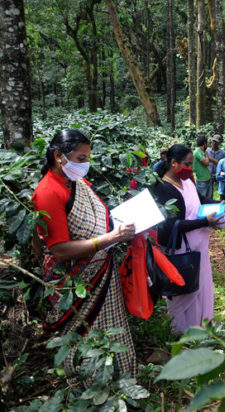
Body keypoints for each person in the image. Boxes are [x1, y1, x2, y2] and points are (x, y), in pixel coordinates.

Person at [32, 129, 137, 377]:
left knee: (108, 325)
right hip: (76, 280)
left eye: (88, 158)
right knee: (84, 330)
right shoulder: (48, 192)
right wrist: (110, 238)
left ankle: (119, 376)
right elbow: (59, 250)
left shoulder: (76, 183)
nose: (86, 164)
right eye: (81, 159)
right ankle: (86, 383)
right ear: (59, 156)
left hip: (102, 269)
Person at [153, 144, 223, 334]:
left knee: (201, 286)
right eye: (187, 164)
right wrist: (203, 222)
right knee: (184, 289)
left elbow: (200, 200)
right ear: (173, 163)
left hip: (199, 247)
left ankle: (202, 325)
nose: (190, 169)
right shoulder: (163, 188)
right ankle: (183, 331)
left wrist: (218, 204)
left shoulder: (187, 182)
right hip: (182, 249)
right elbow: (171, 225)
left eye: (192, 165)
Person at [193, 134, 213, 203]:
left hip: (207, 180)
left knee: (209, 200)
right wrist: (207, 155)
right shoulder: (197, 152)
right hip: (202, 182)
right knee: (202, 201)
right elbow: (206, 163)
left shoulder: (201, 152)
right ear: (204, 143)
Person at [207, 134, 225, 200]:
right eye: (213, 141)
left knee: (222, 192)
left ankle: (222, 205)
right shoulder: (207, 151)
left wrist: (218, 173)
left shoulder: (222, 153)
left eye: (216, 142)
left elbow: (224, 165)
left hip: (218, 174)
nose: (214, 143)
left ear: (219, 143)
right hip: (209, 174)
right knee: (209, 193)